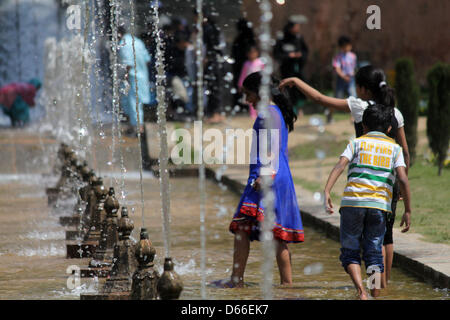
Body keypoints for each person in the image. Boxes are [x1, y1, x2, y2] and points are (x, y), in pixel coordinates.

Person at [279, 65, 410, 288]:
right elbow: (405, 151)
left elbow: (320, 99)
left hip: (362, 185)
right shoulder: (395, 112)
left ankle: (367, 285)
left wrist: (296, 81)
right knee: (385, 236)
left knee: (360, 241)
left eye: (357, 86)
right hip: (388, 182)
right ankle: (382, 285)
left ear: (364, 89)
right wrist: (399, 183)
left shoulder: (360, 106)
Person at [213, 72, 304, 288]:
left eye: (249, 94)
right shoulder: (277, 112)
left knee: (243, 227)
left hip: (266, 176)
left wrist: (265, 176)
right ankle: (286, 286)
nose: (247, 100)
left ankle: (237, 281)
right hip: (279, 175)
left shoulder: (266, 114)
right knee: (275, 233)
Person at [323, 104, 412, 300]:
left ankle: (361, 292)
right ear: (389, 129)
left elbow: (340, 165)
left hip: (352, 204)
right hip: (379, 207)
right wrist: (407, 209)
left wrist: (327, 189)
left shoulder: (356, 143)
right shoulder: (395, 148)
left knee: (350, 250)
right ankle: (375, 294)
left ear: (363, 126)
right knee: (374, 253)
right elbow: (403, 179)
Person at [117, 26, 152, 135]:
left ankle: (137, 127)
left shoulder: (123, 43)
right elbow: (147, 59)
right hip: (142, 75)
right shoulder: (137, 41)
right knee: (138, 101)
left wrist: (125, 77)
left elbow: (128, 64)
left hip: (132, 76)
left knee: (132, 102)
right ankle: (136, 126)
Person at [274, 20, 309, 117]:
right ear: (290, 28)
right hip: (286, 70)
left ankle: (300, 109)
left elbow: (305, 52)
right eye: (295, 27)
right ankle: (291, 109)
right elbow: (277, 54)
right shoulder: (282, 39)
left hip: (297, 70)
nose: (297, 29)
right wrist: (289, 56)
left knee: (300, 89)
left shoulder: (299, 38)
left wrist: (300, 56)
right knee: (288, 90)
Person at [328, 36, 357, 123]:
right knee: (337, 99)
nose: (347, 47)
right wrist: (343, 76)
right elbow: (337, 68)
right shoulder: (338, 57)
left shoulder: (353, 56)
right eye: (345, 46)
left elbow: (353, 68)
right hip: (341, 79)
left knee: (353, 97)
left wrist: (352, 75)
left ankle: (352, 118)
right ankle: (330, 114)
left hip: (350, 78)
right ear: (341, 47)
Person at [231, 18, 256, 109]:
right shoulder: (249, 38)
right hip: (243, 67)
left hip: (245, 66)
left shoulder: (241, 39)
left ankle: (242, 106)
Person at [237, 45, 265, 119]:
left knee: (260, 98)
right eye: (250, 53)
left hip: (259, 83)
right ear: (247, 54)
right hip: (249, 84)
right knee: (251, 99)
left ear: (257, 53)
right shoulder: (246, 64)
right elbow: (243, 74)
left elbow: (264, 73)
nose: (252, 55)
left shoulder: (260, 62)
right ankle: (253, 114)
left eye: (253, 53)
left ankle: (261, 112)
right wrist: (240, 84)